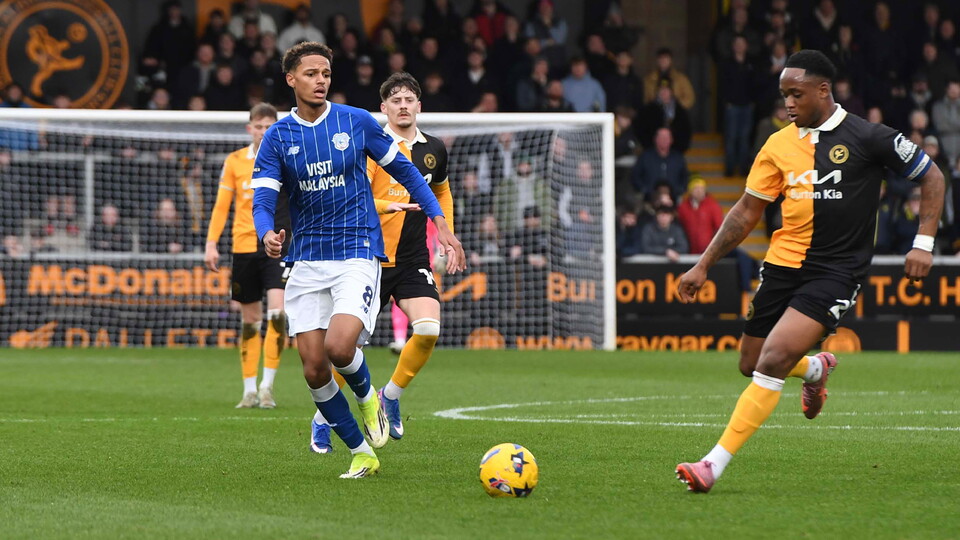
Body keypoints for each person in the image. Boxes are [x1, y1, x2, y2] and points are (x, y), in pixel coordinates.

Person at [675, 50, 944, 493]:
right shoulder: (778, 145)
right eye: (784, 96)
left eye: (796, 94)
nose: (789, 104)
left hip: (837, 271)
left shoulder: (870, 137)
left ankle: (711, 464)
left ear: (823, 90)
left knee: (773, 360)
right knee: (750, 363)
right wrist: (703, 265)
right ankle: (816, 369)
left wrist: (924, 242)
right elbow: (746, 212)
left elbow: (931, 176)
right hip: (782, 266)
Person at [251, 42, 464, 479]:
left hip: (356, 251)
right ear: (291, 79)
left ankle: (370, 397)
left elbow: (407, 172)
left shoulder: (356, 121)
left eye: (326, 73)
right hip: (307, 259)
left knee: (338, 346)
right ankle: (361, 452)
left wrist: (440, 222)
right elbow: (264, 197)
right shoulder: (277, 137)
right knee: (313, 369)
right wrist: (266, 234)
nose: (321, 80)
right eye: (311, 73)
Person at [365, 72, 454, 440]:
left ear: (419, 105)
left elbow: (443, 191)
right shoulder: (371, 146)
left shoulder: (433, 149)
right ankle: (324, 420)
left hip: (413, 258)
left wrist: (445, 231)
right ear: (384, 108)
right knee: (344, 350)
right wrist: (392, 206)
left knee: (429, 330)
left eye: (409, 99)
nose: (403, 106)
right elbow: (356, 199)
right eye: (395, 100)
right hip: (368, 259)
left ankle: (390, 396)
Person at [205, 103, 288, 409]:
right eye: (258, 126)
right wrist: (211, 243)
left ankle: (267, 387)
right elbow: (221, 206)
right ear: (249, 128)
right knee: (250, 320)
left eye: (269, 127)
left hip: (277, 245)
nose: (263, 132)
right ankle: (248, 389)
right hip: (243, 247)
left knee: (278, 314)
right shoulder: (235, 161)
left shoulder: (284, 158)